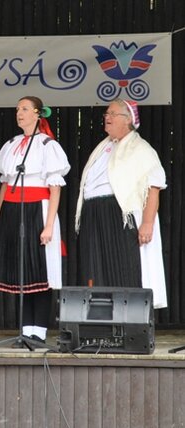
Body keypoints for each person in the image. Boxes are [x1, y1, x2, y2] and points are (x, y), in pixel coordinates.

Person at [0, 96, 70, 345]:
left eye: (24, 109)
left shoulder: (48, 145)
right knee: (20, 271)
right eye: (17, 110)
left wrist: (48, 225)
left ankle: (39, 331)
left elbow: (55, 187)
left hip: (38, 209)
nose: (19, 113)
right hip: (13, 211)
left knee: (39, 271)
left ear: (38, 113)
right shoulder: (12, 144)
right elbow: (5, 185)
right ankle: (24, 330)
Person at [75, 99, 167, 308]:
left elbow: (154, 186)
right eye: (106, 114)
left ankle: (127, 321)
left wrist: (148, 223)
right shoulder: (104, 147)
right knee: (95, 268)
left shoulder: (141, 148)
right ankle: (100, 321)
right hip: (94, 212)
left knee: (123, 266)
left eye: (112, 114)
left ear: (127, 120)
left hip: (119, 214)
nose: (107, 118)